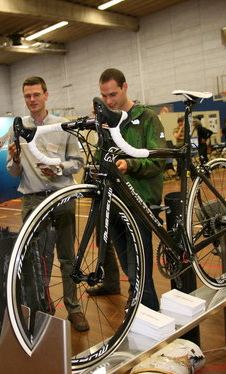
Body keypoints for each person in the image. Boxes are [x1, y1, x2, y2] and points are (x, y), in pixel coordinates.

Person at [7, 76, 88, 331]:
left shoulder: (63, 126)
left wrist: (59, 169)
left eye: (36, 95)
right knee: (37, 259)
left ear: (46, 95)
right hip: (32, 201)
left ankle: (73, 308)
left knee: (67, 258)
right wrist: (16, 159)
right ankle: (44, 309)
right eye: (27, 96)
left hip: (61, 198)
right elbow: (13, 172)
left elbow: (78, 162)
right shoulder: (18, 128)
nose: (32, 100)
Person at [86, 68, 166, 311]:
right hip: (115, 203)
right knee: (130, 270)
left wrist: (129, 165)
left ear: (125, 87)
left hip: (139, 204)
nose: (109, 101)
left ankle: (151, 312)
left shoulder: (147, 117)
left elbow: (158, 160)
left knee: (141, 272)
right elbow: (103, 155)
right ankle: (139, 310)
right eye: (104, 96)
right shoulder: (109, 121)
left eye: (113, 94)